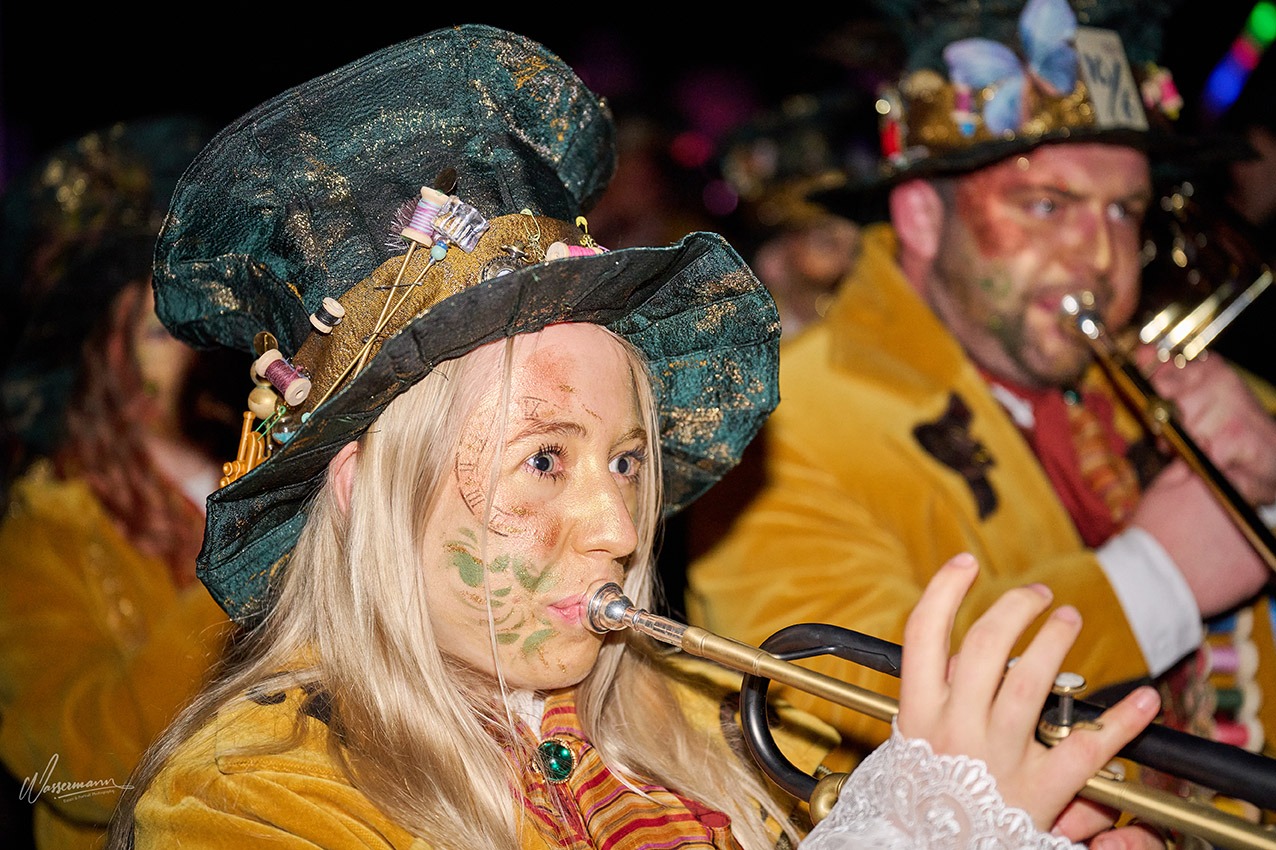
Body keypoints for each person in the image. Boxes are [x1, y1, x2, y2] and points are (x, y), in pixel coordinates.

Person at [105, 25, 1164, 850]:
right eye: (544, 459)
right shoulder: (244, 796)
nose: (619, 527)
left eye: (625, 460)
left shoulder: (680, 733)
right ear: (360, 487)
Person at [686, 0, 1276, 792]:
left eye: (1123, 211)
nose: (1102, 260)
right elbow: (825, 695)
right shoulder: (780, 422)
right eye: (1047, 205)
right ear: (923, 219)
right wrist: (1154, 580)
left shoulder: (1185, 383)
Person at [0, 118, 235, 850]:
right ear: (106, 361)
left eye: (191, 324)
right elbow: (71, 766)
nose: (189, 348)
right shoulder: (44, 534)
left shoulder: (251, 451)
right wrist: (236, 573)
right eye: (160, 332)